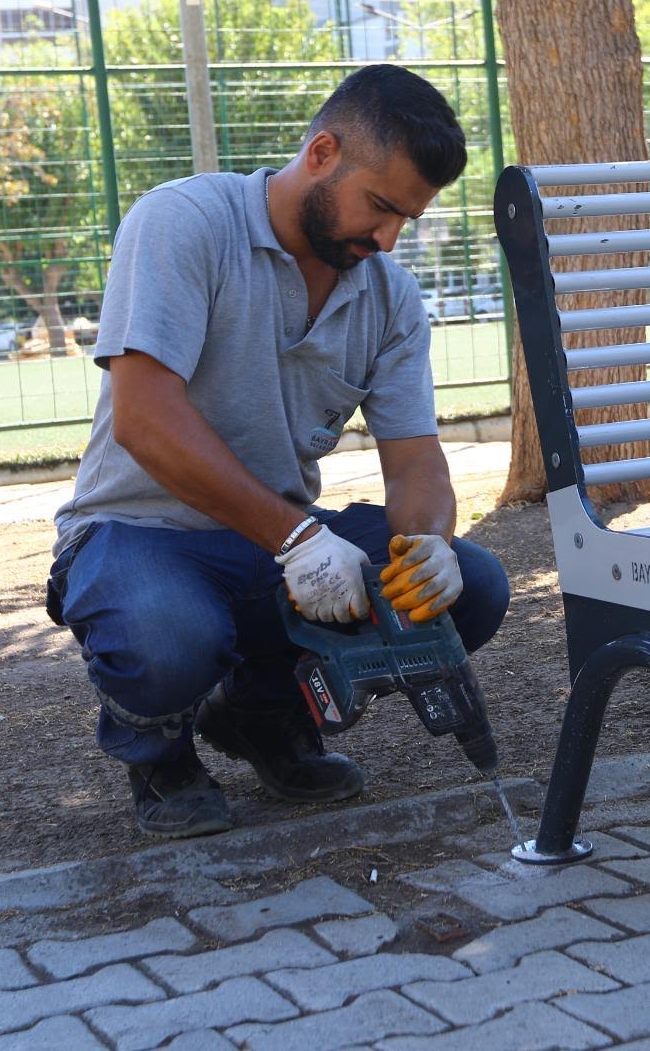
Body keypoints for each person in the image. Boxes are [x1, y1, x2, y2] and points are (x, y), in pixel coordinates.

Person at [44, 65, 510, 838]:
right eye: (381, 207)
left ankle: (262, 717)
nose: (388, 239)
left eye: (407, 219)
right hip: (137, 534)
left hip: (274, 547)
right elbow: (145, 421)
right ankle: (160, 755)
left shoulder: (388, 294)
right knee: (167, 638)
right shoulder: (184, 222)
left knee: (475, 589)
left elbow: (415, 460)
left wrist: (430, 543)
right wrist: (297, 540)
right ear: (322, 153)